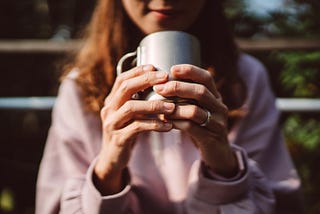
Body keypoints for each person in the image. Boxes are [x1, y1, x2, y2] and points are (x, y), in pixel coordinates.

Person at [36, 0, 303, 213]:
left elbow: (280, 201)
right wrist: (107, 171)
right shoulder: (81, 85)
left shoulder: (245, 78)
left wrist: (225, 167)